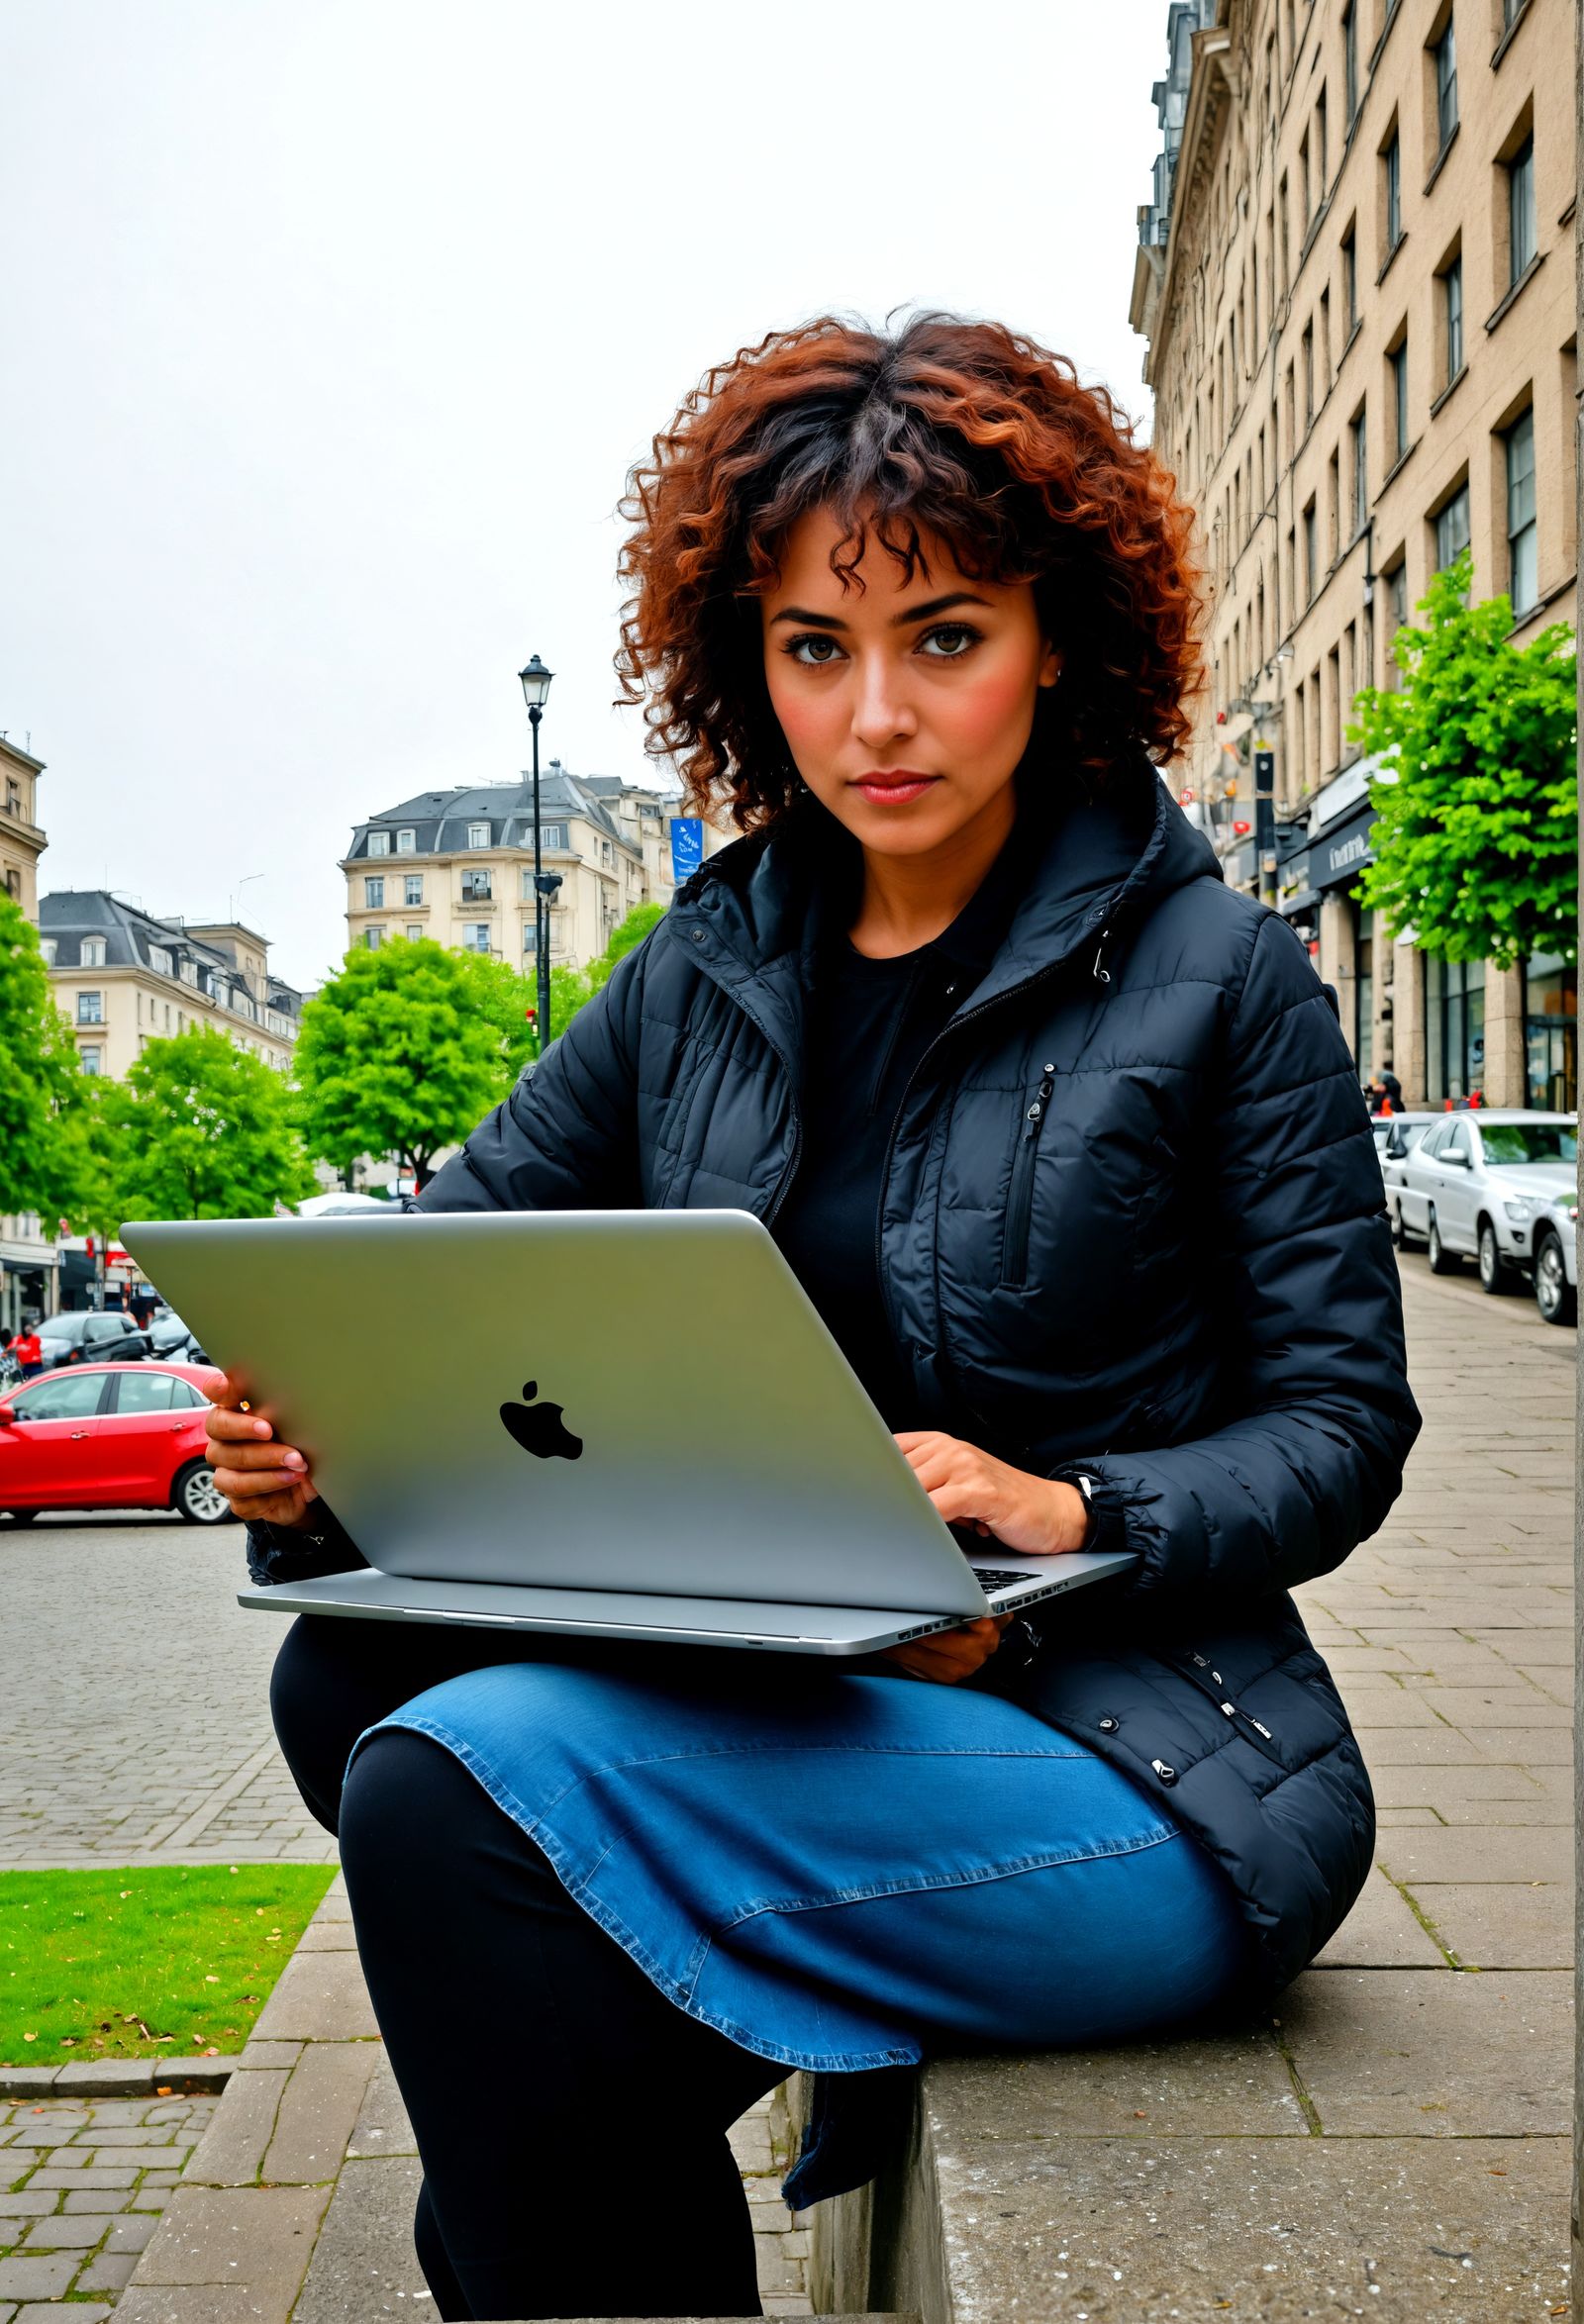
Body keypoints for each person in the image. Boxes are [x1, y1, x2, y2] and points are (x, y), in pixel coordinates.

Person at [206, 315, 1419, 2324]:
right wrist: (310, 1449)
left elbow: (1339, 1425)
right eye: (811, 646)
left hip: (1135, 1745)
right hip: (817, 1665)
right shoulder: (702, 968)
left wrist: (1062, 1506)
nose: (874, 714)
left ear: (1059, 641)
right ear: (742, 662)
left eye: (942, 637)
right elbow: (444, 1271)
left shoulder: (1222, 974)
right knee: (346, 1677)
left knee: (453, 1830)